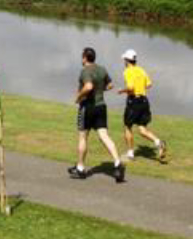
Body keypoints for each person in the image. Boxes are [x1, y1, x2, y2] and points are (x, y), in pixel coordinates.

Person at [68, 47, 125, 183]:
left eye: (82, 56)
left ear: (85, 58)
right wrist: (101, 90)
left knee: (83, 137)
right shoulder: (102, 69)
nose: (81, 58)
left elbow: (88, 87)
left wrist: (78, 96)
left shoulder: (85, 71)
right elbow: (110, 85)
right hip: (101, 107)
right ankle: (118, 163)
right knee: (104, 136)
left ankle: (80, 168)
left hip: (87, 107)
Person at [116, 49, 168, 163]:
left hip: (133, 102)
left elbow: (130, 88)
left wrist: (122, 91)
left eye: (124, 59)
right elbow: (149, 84)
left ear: (126, 60)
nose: (124, 61)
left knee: (127, 127)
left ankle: (130, 153)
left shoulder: (127, 71)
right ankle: (159, 143)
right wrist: (140, 87)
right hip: (144, 101)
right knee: (142, 129)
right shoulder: (141, 70)